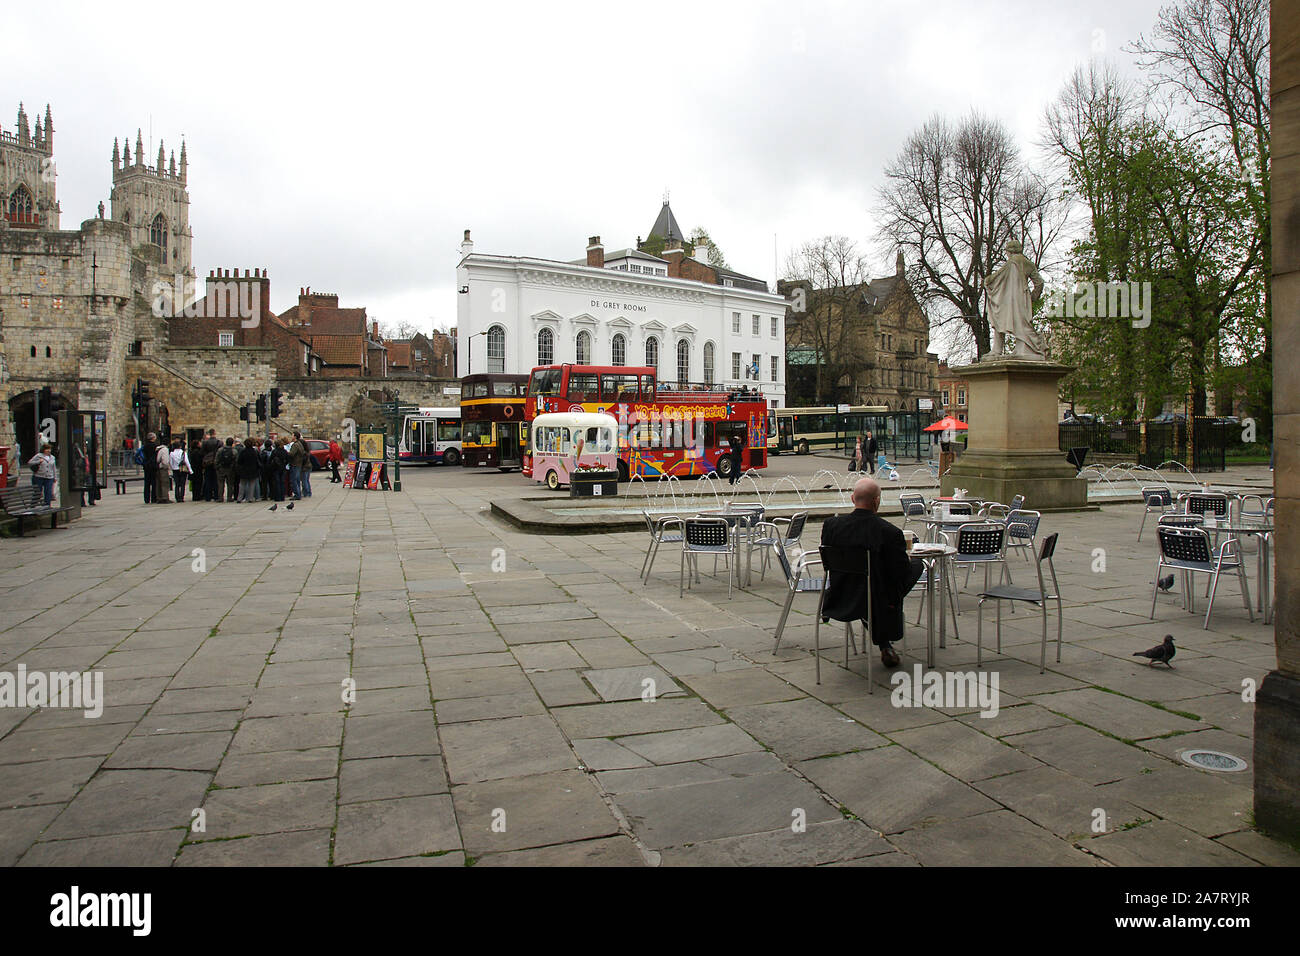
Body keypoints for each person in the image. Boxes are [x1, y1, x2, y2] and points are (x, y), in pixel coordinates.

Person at [819, 476, 924, 669]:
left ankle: (885, 642)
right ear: (877, 501)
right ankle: (887, 635)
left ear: (853, 499)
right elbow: (899, 572)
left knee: (870, 580)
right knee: (916, 566)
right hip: (877, 598)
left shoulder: (831, 526)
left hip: (841, 594)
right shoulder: (890, 532)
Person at [236, 437, 261, 502]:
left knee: (242, 485)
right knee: (252, 485)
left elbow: (239, 461)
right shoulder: (254, 452)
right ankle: (250, 498)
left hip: (244, 470)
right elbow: (258, 461)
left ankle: (239, 498)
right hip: (253, 470)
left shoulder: (243, 451)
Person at [200, 428, 222, 501]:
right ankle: (216, 496)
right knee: (216, 480)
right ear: (215, 433)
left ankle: (208, 496)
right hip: (216, 462)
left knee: (207, 480)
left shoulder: (205, 443)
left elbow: (202, 452)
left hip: (207, 462)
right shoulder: (219, 442)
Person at [287, 431, 306, 500]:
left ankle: (297, 494)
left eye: (292, 435)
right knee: (297, 480)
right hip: (299, 463)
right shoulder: (300, 443)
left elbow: (292, 454)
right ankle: (298, 493)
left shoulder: (295, 445)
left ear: (295, 437)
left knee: (294, 480)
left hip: (295, 463)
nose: (291, 437)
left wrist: (287, 452)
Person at [141, 432, 159, 504]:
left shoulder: (145, 446)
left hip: (146, 465)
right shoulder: (155, 446)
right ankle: (154, 498)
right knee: (154, 483)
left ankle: (146, 498)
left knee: (147, 483)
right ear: (153, 438)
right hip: (153, 466)